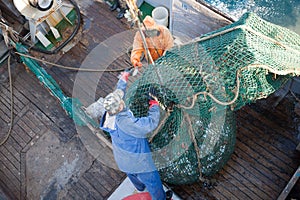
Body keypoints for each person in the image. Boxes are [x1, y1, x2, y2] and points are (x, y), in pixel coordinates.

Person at [99, 71, 173, 200]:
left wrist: (123, 79)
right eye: (121, 101)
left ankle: (139, 188)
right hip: (139, 163)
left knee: (132, 174)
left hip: (122, 159)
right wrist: (154, 106)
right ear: (120, 106)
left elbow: (118, 95)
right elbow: (150, 124)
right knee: (153, 182)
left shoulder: (108, 116)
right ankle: (161, 198)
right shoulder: (126, 123)